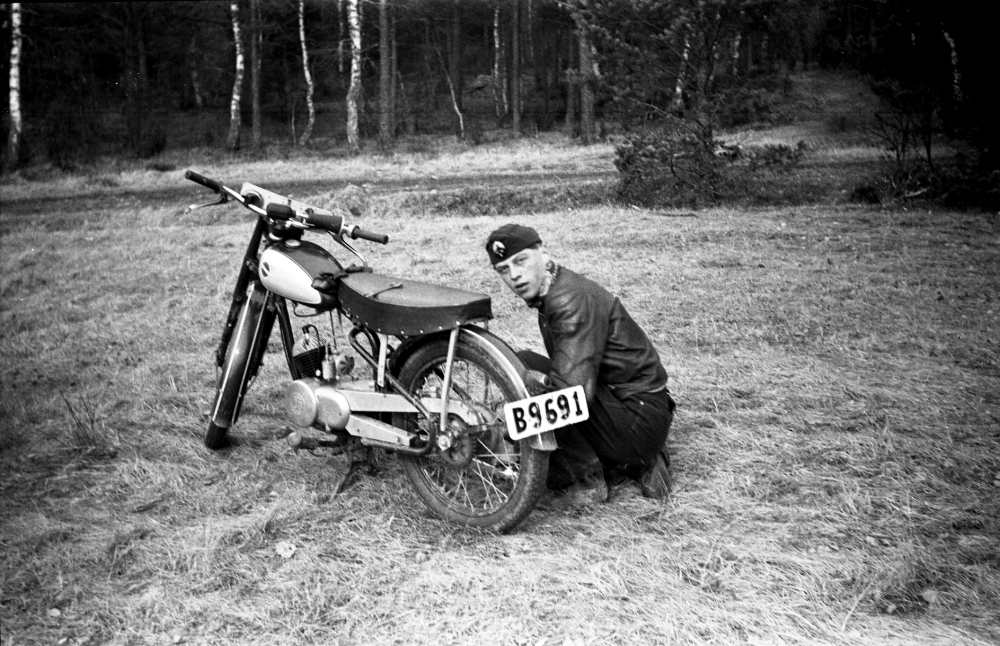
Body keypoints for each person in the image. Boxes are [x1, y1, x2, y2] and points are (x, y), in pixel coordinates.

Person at [486, 223, 675, 507]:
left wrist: (509, 433)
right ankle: (635, 461)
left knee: (527, 375)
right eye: (503, 269)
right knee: (526, 362)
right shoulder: (556, 290)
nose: (514, 275)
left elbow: (571, 397)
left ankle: (583, 481)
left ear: (543, 253)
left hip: (637, 418)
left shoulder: (569, 300)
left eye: (521, 260)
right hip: (639, 408)